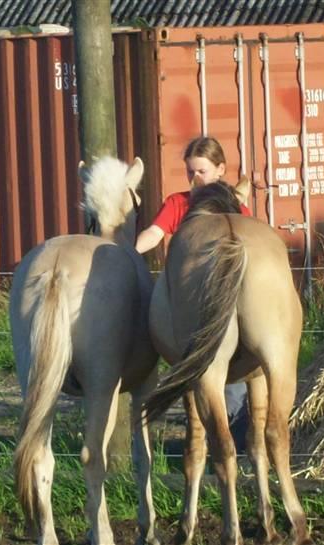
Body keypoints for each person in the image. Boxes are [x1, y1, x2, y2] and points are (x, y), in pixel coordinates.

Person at [135, 135, 250, 451]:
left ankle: (234, 451)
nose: (194, 179)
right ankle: (206, 450)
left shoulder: (237, 209)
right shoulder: (179, 204)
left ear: (220, 169)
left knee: (235, 384)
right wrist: (130, 253)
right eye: (190, 172)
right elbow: (155, 233)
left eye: (201, 171)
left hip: (227, 301)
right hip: (190, 304)